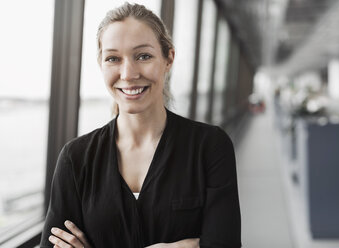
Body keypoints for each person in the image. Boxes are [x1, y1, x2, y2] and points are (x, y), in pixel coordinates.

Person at [40, 2, 241, 248]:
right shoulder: (76, 158)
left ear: (169, 59)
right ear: (101, 64)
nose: (128, 73)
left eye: (143, 56)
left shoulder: (210, 147)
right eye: (113, 58)